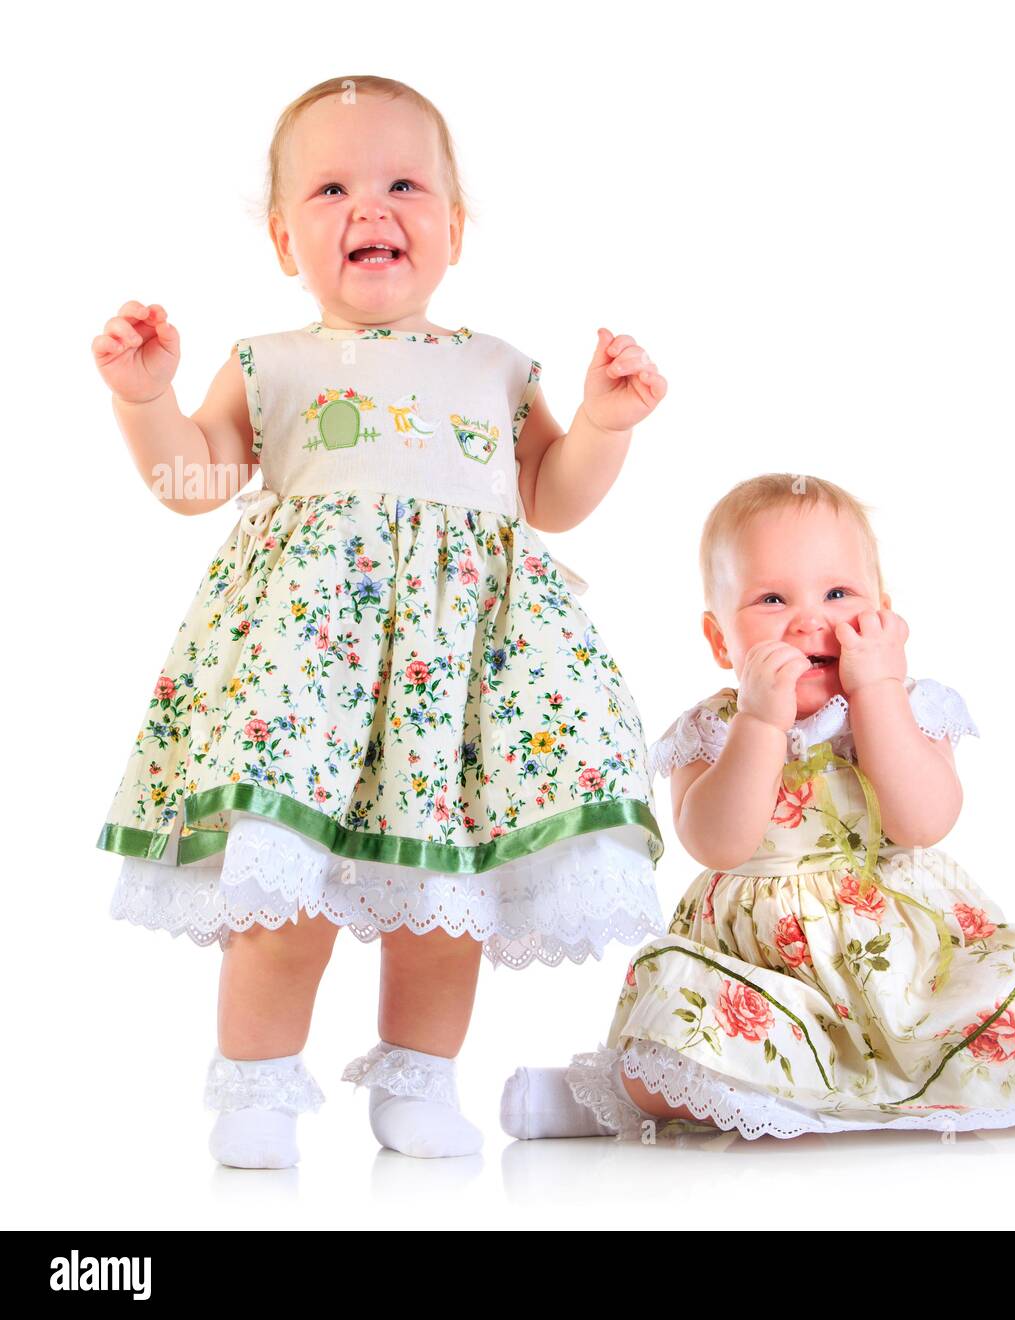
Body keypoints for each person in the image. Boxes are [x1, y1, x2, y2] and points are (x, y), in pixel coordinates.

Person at [92, 75, 668, 1168]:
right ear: (283, 240)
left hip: (455, 678)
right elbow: (191, 481)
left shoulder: (498, 368)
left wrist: (603, 424)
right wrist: (145, 400)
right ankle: (257, 1085)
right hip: (309, 676)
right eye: (331, 190)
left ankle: (417, 1077)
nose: (371, 207)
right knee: (283, 894)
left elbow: (550, 498)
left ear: (454, 227)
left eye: (405, 185)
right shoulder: (272, 364)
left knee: (443, 901)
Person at [499, 473, 1015, 1141]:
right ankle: (605, 1101)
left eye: (838, 594)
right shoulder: (714, 730)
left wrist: (878, 693)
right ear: (719, 639)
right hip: (771, 984)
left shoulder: (908, 707)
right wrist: (761, 724)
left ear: (884, 613)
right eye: (772, 599)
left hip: (915, 975)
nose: (810, 620)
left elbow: (922, 821)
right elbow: (717, 842)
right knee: (678, 1027)